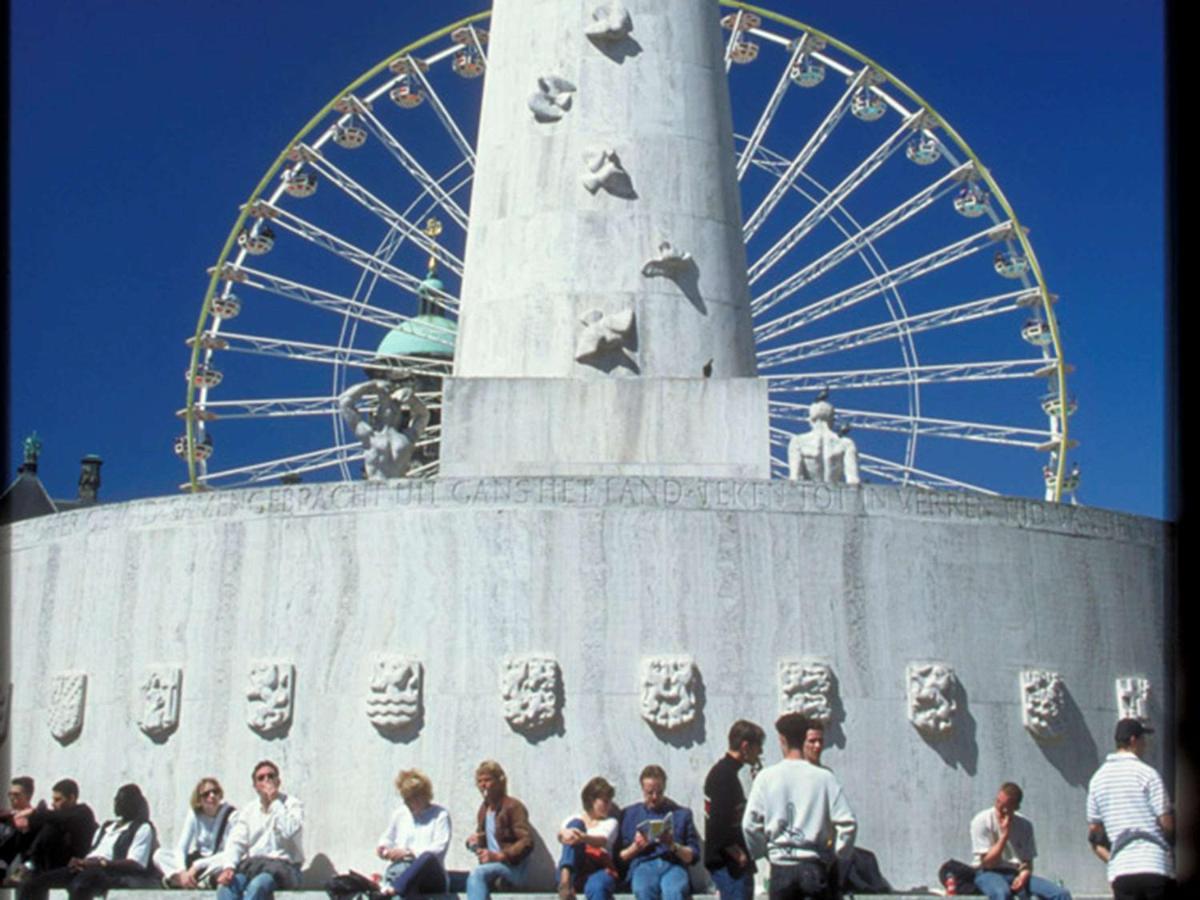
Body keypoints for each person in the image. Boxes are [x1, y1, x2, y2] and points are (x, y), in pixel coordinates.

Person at [742, 713, 856, 900]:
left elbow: (749, 824)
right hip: (813, 863)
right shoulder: (824, 778)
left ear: (782, 739)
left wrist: (764, 851)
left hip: (781, 866)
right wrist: (836, 854)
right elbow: (848, 824)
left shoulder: (766, 777)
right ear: (804, 738)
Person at [17, 783, 160, 900]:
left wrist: (99, 863)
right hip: (87, 866)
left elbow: (135, 863)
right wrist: (82, 862)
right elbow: (93, 851)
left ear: (133, 804)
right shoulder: (107, 827)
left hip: (109, 871)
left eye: (123, 800)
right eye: (116, 799)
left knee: (80, 886)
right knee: (32, 884)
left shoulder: (142, 828)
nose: (117, 803)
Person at [1086, 719, 1176, 899]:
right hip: (1154, 864)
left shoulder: (1097, 779)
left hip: (1122, 870)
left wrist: (1111, 857)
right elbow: (1167, 824)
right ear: (1133, 740)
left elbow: (1094, 832)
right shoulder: (1147, 774)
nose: (1145, 744)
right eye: (1143, 739)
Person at [215, 761, 304, 900]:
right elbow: (236, 841)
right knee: (227, 886)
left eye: (270, 776)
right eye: (261, 778)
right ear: (255, 786)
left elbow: (290, 831)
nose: (266, 780)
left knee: (258, 885)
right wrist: (229, 867)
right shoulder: (248, 810)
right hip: (255, 867)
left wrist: (275, 802)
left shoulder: (292, 804)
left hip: (284, 868)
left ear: (278, 781)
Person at [970, 782, 1071, 900]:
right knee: (1002, 894)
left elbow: (1027, 862)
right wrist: (1004, 835)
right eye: (998, 802)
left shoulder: (1025, 825)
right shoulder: (982, 820)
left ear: (1016, 807)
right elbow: (988, 863)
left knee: (1061, 894)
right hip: (987, 872)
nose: (999, 810)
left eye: (1005, 807)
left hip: (1015, 872)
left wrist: (1023, 875)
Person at [617, 765, 701, 900]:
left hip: (673, 864)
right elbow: (619, 857)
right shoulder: (629, 814)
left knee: (674, 891)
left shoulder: (682, 814)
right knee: (643, 889)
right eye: (650, 793)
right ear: (642, 790)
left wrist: (672, 845)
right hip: (643, 863)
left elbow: (693, 857)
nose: (655, 797)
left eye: (659, 792)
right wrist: (636, 847)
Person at [704, 721, 765, 900]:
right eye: (758, 747)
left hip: (731, 863)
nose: (760, 752)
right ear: (745, 746)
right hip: (728, 864)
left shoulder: (727, 772)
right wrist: (736, 853)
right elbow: (718, 822)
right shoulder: (724, 776)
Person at [377, 769, 452, 898]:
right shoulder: (400, 814)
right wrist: (384, 849)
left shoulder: (440, 815)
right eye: (405, 799)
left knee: (427, 857)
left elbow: (439, 849)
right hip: (402, 870)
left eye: (411, 799)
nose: (407, 803)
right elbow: (387, 837)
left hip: (431, 876)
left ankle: (393, 889)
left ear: (423, 796)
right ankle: (396, 887)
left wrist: (409, 853)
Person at [465, 761, 533, 900]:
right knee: (455, 879)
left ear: (499, 782)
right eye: (480, 781)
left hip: (513, 869)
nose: (483, 785)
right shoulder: (484, 809)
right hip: (492, 867)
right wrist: (474, 842)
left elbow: (527, 842)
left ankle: (504, 882)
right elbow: (485, 840)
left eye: (488, 780)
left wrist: (500, 856)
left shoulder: (513, 806)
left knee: (477, 874)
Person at [5, 779, 97, 881]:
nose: (53, 804)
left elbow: (61, 818)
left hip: (73, 864)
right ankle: (8, 862)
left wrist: (33, 812)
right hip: (52, 861)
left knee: (51, 825)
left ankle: (30, 864)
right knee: (24, 831)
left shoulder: (83, 812)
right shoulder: (57, 815)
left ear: (71, 798)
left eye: (58, 800)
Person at [338, 380, 430, 480]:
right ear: (377, 414)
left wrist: (412, 399)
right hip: (374, 487)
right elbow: (344, 402)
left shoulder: (407, 438)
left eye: (396, 406)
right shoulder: (369, 436)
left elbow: (424, 415)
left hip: (400, 489)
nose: (391, 408)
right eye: (386, 406)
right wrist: (372, 385)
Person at [156, 777, 236, 888]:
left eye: (215, 792)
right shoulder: (194, 814)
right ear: (199, 799)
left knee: (225, 863)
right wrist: (182, 871)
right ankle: (185, 881)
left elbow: (230, 851)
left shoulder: (231, 815)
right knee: (159, 855)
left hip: (214, 861)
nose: (211, 796)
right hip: (196, 860)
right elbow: (181, 848)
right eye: (206, 794)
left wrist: (197, 866)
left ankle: (183, 882)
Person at [556, 776, 619, 900]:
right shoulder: (572, 820)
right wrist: (562, 835)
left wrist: (583, 838)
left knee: (598, 887)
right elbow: (562, 838)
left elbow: (602, 840)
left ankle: (566, 882)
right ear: (591, 801)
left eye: (610, 801)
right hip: (576, 867)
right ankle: (565, 881)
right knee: (576, 824)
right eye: (605, 801)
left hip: (597, 867)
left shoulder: (610, 822)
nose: (609, 805)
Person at [787, 400, 859, 485]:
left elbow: (795, 477)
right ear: (833, 420)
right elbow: (853, 480)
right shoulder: (847, 444)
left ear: (810, 420)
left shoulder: (798, 442)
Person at [1, 777, 38, 876]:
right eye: (10, 794)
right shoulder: (6, 816)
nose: (12, 798)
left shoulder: (35, 817)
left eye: (16, 794)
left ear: (28, 796)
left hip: (24, 862)